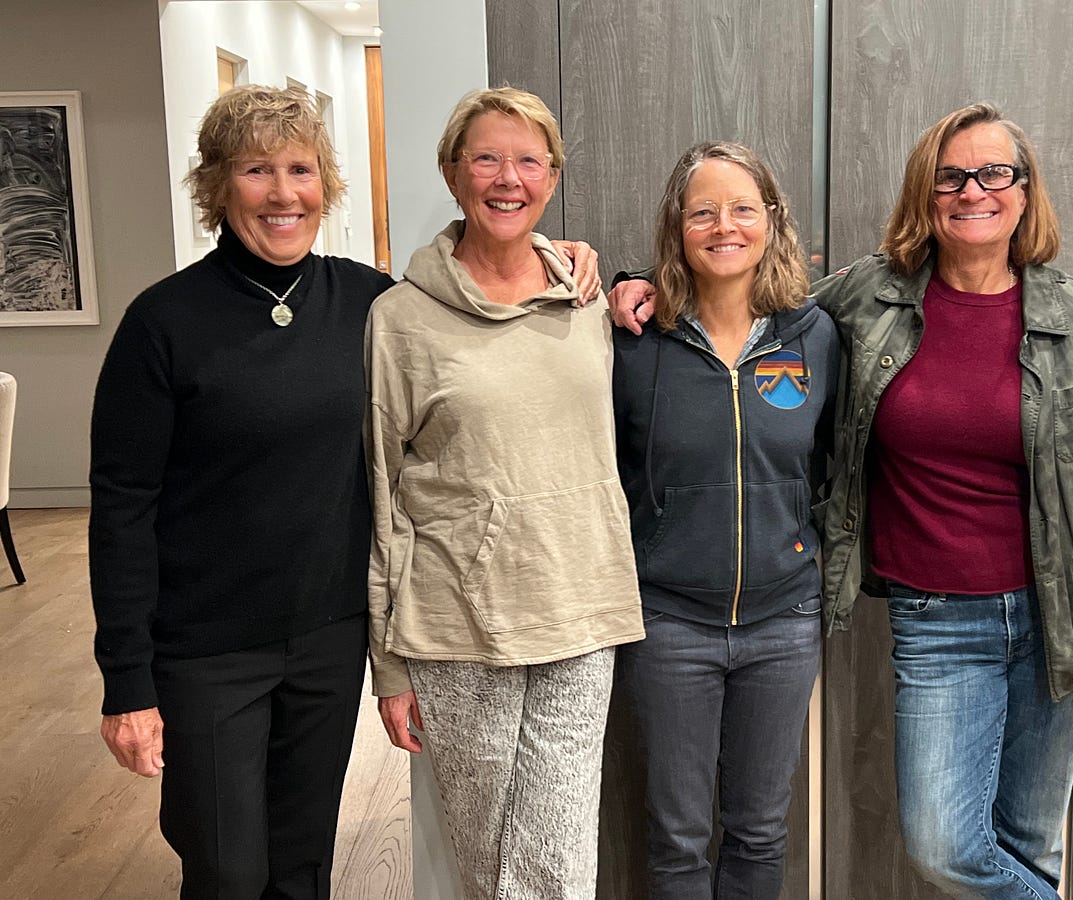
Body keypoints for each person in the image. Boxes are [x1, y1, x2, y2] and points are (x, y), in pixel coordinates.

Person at [610, 103, 1073, 899]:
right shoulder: (871, 297)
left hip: (1059, 614)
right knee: (944, 847)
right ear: (924, 195)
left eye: (994, 173)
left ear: (1025, 190)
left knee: (1028, 842)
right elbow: (747, 287)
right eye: (950, 177)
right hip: (936, 618)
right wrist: (636, 283)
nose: (972, 191)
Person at [89, 84, 600, 899]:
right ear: (218, 184)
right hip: (207, 649)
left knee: (303, 868)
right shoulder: (164, 323)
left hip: (329, 639)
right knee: (226, 869)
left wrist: (574, 261)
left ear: (325, 184)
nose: (283, 194)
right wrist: (127, 681)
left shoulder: (371, 303)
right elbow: (121, 508)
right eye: (257, 170)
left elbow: (480, 297)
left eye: (301, 170)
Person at [364, 87, 643, 900]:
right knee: (492, 865)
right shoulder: (400, 319)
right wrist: (388, 665)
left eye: (528, 160)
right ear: (453, 174)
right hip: (457, 623)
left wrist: (633, 282)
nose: (507, 178)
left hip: (581, 612)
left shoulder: (585, 299)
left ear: (552, 177)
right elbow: (381, 496)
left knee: (559, 861)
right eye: (486, 158)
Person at [611, 142, 837, 899]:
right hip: (670, 624)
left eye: (743, 209)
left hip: (784, 621)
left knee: (760, 832)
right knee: (677, 840)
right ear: (677, 226)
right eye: (702, 211)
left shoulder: (814, 335)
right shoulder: (636, 340)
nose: (724, 226)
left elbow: (830, 462)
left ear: (772, 220)